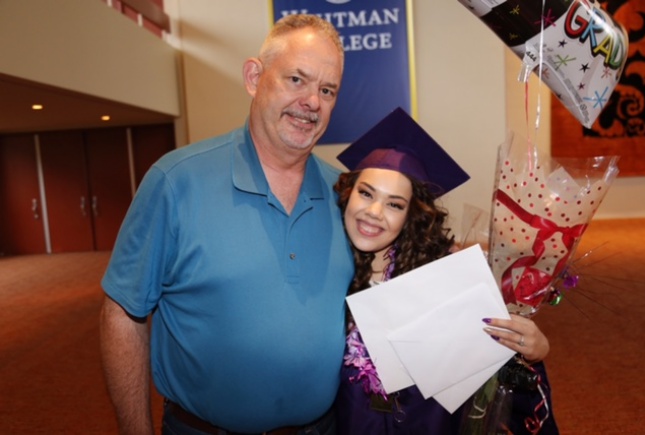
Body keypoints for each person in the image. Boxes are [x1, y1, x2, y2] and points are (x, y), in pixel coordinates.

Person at [99, 14, 354, 435]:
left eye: (327, 90)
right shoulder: (176, 182)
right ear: (254, 77)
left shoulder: (344, 195)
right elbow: (122, 314)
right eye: (296, 79)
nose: (312, 101)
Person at [332, 107, 559, 434]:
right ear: (347, 193)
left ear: (412, 214)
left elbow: (496, 362)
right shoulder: (324, 267)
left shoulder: (442, 275)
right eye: (366, 193)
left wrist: (535, 350)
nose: (374, 213)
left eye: (395, 204)